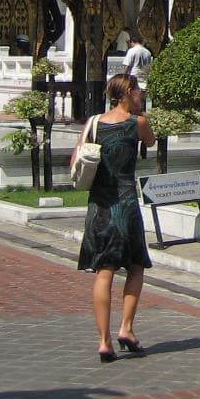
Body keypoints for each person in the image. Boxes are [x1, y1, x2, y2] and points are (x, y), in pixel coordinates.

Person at [75, 73, 156, 363]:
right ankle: (127, 328)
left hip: (99, 204)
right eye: (138, 91)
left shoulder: (94, 122)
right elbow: (150, 142)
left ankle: (103, 341)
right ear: (129, 91)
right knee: (136, 265)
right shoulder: (138, 123)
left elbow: (76, 159)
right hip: (125, 202)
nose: (141, 95)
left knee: (104, 271)